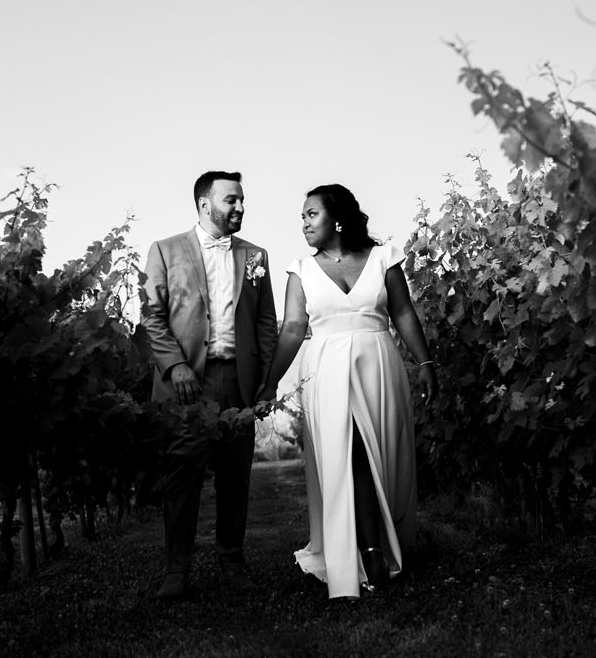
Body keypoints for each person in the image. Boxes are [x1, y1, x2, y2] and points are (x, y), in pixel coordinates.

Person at [260, 184, 436, 602]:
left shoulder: (383, 259)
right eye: (301, 217)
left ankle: (377, 540)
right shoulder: (300, 270)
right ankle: (368, 554)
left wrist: (425, 362)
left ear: (336, 218)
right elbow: (291, 330)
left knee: (383, 458)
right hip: (325, 370)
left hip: (377, 364)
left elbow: (403, 312)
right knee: (349, 454)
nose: (303, 223)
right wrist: (270, 383)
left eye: (310, 214)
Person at [142, 171, 278, 598]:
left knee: (236, 477)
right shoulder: (164, 250)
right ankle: (176, 571)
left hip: (238, 380)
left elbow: (265, 322)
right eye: (232, 200)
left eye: (242, 201)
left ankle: (231, 561)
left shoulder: (256, 257)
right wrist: (175, 366)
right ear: (205, 204)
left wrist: (266, 380)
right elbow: (152, 316)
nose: (240, 207)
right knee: (182, 478)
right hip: (187, 384)